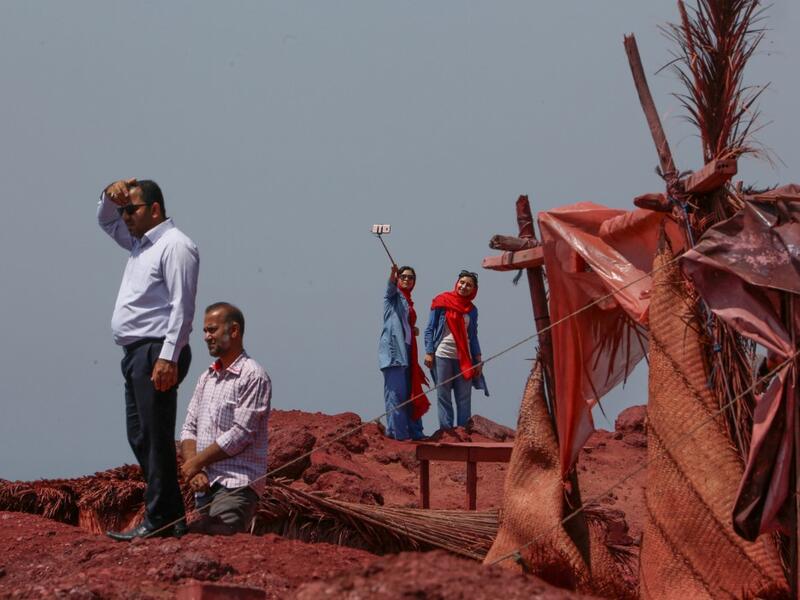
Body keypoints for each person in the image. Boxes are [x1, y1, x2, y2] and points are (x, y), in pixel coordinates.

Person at [99, 178, 199, 541]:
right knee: (140, 435)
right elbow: (105, 221)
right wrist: (110, 193)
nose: (124, 216)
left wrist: (168, 357)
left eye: (131, 209)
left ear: (154, 209)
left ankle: (161, 519)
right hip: (136, 354)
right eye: (123, 210)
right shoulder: (139, 243)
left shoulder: (176, 245)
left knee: (155, 437)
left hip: (157, 352)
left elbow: (182, 308)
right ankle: (170, 514)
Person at [180, 303, 272, 535]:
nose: (206, 337)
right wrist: (196, 469)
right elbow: (189, 428)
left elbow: (241, 434)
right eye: (205, 331)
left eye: (212, 330)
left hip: (236, 484)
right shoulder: (206, 377)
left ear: (234, 331)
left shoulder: (253, 375)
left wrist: (196, 462)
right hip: (204, 486)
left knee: (218, 539)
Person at [424, 270, 489, 430]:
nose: (464, 286)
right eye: (462, 282)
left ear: (473, 290)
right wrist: (429, 351)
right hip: (443, 354)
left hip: (464, 358)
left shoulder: (472, 310)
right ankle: (446, 430)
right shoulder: (442, 301)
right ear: (457, 283)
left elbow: (473, 336)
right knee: (443, 394)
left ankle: (463, 430)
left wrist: (478, 360)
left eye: (469, 285)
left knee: (464, 396)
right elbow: (430, 329)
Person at [378, 265, 429, 440]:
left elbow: (403, 323)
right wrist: (392, 273)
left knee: (410, 392)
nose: (407, 279)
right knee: (396, 394)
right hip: (394, 352)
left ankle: (410, 431)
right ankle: (399, 434)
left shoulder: (407, 301)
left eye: (411, 277)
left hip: (407, 350)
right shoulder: (393, 297)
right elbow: (390, 287)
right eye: (403, 277)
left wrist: (412, 329)